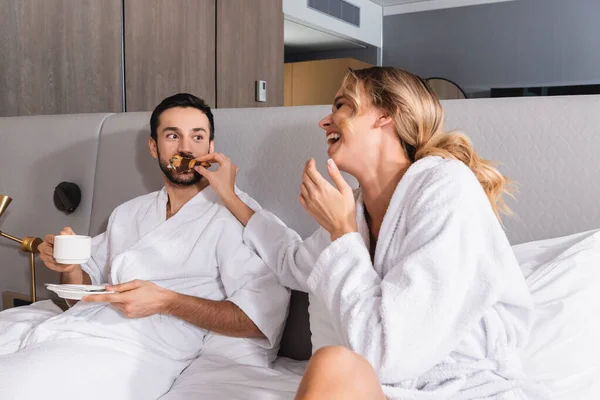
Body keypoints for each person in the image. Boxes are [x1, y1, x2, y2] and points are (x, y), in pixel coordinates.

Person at [194, 67, 545, 399]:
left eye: (342, 105)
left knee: (333, 363)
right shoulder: (356, 210)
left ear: (385, 114)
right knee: (332, 366)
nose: (324, 120)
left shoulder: (447, 188)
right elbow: (289, 262)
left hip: (462, 391)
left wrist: (343, 233)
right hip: (383, 391)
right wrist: (230, 194)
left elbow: (388, 354)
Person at [0, 93, 289, 400]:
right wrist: (70, 268)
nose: (186, 148)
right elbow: (79, 296)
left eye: (197, 136)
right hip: (72, 327)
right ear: (154, 147)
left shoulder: (237, 216)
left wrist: (168, 302)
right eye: (172, 135)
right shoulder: (129, 213)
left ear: (211, 148)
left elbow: (257, 321)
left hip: (137, 350)